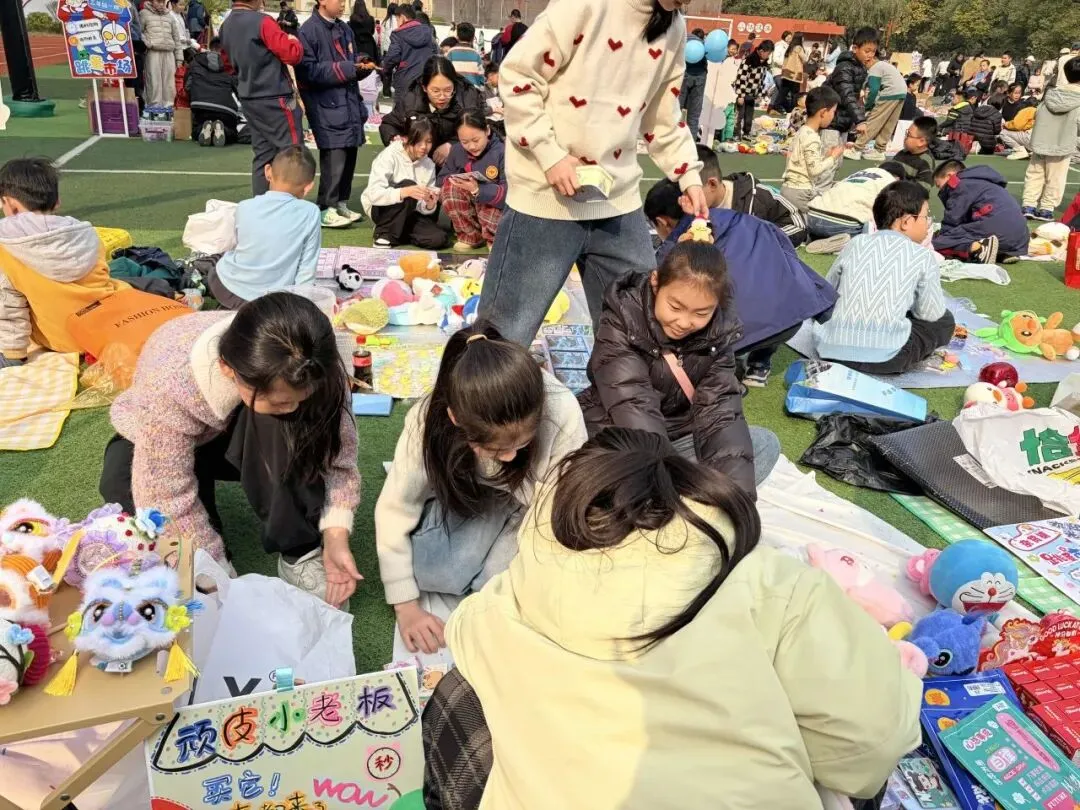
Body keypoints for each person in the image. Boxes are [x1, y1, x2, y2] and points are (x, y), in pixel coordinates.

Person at [430, 426, 921, 809]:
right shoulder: (777, 583)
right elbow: (873, 746)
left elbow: (469, 629)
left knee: (456, 696)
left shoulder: (518, 579)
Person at [100, 294, 362, 606]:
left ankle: (299, 550)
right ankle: (210, 556)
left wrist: (335, 535)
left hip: (241, 426)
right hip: (159, 433)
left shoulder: (316, 364)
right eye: (281, 401)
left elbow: (338, 460)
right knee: (129, 494)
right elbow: (163, 495)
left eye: (303, 397)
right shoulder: (169, 381)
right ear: (227, 368)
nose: (294, 407)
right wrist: (215, 571)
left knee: (287, 427)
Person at [476, 0, 709, 347]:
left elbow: (663, 113)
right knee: (504, 339)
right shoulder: (585, 5)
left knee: (637, 334)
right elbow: (518, 75)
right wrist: (550, 155)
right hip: (545, 200)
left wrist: (687, 173)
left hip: (617, 200)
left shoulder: (674, 27)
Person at [375, 321, 586, 654]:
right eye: (496, 448)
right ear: (455, 419)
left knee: (501, 589)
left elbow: (560, 509)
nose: (510, 456)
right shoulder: (427, 419)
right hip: (469, 495)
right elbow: (396, 507)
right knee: (435, 574)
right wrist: (406, 607)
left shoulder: (562, 411)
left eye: (522, 444)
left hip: (533, 507)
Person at [578, 241, 779, 497]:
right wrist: (665, 477)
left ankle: (677, 496)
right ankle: (672, 494)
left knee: (764, 444)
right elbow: (633, 405)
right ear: (655, 283)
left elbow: (720, 414)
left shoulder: (718, 336)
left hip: (678, 440)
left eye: (701, 313)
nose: (684, 322)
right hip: (616, 434)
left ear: (717, 304)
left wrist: (736, 502)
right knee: (606, 475)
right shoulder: (621, 320)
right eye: (675, 307)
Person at [647, 180, 836, 388]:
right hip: (791, 320)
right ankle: (760, 364)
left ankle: (723, 368)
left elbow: (653, 288)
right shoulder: (747, 219)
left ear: (662, 222)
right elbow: (791, 259)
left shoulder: (675, 247)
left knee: (690, 307)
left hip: (737, 332)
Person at [813, 181, 954, 375]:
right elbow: (930, 314)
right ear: (906, 222)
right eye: (925, 217)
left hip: (831, 350)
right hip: (888, 359)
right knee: (944, 320)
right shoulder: (922, 256)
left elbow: (828, 291)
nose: (928, 223)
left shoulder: (856, 243)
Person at [0, 158, 128, 367]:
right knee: (125, 272)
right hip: (104, 330)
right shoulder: (87, 233)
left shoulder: (5, 247)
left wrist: (13, 354)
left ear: (11, 204)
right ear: (57, 201)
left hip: (58, 340)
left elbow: (8, 306)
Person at [207, 148, 320, 309]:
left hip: (228, 289)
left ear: (268, 171)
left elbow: (241, 245)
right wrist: (300, 307)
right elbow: (307, 269)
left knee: (219, 264)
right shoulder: (311, 212)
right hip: (274, 303)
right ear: (308, 187)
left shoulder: (244, 206)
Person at [297, 0, 371, 228]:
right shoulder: (308, 30)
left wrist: (360, 64)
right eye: (339, 0)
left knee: (349, 153)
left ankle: (340, 202)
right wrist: (348, 68)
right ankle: (325, 207)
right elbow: (308, 71)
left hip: (348, 101)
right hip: (325, 104)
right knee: (334, 155)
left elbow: (350, 60)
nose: (343, 5)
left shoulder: (345, 28)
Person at [220, 0, 305, 195]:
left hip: (249, 96)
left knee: (263, 155)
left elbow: (227, 64)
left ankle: (261, 204)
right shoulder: (263, 21)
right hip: (276, 96)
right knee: (292, 153)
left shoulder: (226, 25)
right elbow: (291, 55)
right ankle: (289, 204)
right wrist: (294, 41)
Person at [379, 56, 485, 166]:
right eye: (435, 91)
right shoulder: (411, 101)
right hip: (419, 164)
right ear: (424, 87)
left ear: (455, 85)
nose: (442, 97)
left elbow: (479, 133)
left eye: (448, 90)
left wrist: (453, 146)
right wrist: (394, 138)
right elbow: (388, 124)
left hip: (458, 164)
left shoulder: (467, 99)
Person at [361, 118, 447, 248]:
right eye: (418, 141)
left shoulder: (429, 164)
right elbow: (374, 194)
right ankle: (384, 233)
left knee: (438, 239)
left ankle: (397, 232)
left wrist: (429, 204)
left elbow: (421, 206)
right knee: (408, 184)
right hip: (381, 209)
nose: (424, 146)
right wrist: (404, 192)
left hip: (411, 213)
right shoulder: (389, 156)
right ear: (405, 138)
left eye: (429, 141)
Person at [695, 145, 807, 245]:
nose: (687, 200)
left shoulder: (757, 197)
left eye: (691, 192)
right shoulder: (689, 208)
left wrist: (757, 239)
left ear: (712, 184)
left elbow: (798, 226)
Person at [931, 161, 1028, 263]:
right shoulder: (986, 182)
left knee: (938, 243)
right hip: (1020, 238)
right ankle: (1004, 252)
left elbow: (952, 219)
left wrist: (940, 236)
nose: (940, 189)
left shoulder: (961, 185)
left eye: (939, 185)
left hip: (997, 229)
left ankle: (978, 249)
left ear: (949, 176)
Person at [438, 112, 506, 251]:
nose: (471, 146)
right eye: (465, 142)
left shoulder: (502, 151)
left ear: (487, 131)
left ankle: (495, 239)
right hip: (469, 204)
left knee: (488, 199)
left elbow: (511, 193)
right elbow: (441, 179)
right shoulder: (456, 150)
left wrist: (478, 189)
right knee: (449, 188)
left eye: (476, 140)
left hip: (495, 206)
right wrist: (459, 180)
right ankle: (470, 236)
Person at [1023, 57, 1080, 221]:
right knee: (1056, 177)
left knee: (1035, 173)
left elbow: (1038, 115)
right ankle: (1046, 208)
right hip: (1063, 143)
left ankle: (1028, 204)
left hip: (1041, 141)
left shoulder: (1051, 94)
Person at [806, 161, 909, 240]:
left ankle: (820, 239)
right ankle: (846, 243)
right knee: (877, 221)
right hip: (844, 225)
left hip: (812, 218)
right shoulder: (890, 182)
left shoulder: (860, 173)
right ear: (898, 179)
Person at [824, 28, 879, 177]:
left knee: (836, 164)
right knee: (827, 163)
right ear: (855, 48)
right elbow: (847, 95)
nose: (870, 55)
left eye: (873, 51)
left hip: (842, 122)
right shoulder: (844, 68)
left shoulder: (860, 68)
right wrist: (859, 120)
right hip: (830, 122)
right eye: (867, 51)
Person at [781, 85, 843, 213]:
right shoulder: (812, 137)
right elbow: (815, 170)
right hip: (800, 193)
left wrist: (825, 157)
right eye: (833, 112)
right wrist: (832, 158)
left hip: (788, 188)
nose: (833, 116)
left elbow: (805, 162)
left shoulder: (802, 131)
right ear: (823, 112)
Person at [851, 48, 906, 159]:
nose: (864, 66)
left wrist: (868, 107)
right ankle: (879, 150)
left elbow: (874, 90)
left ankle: (856, 148)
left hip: (889, 93)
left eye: (864, 64)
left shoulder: (875, 68)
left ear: (870, 60)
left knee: (874, 121)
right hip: (901, 93)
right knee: (889, 123)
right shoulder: (885, 65)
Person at [187, 38, 242, 146]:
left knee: (196, 130)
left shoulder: (196, 62)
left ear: (210, 47)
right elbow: (239, 90)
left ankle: (204, 129)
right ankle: (223, 130)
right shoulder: (229, 65)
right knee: (233, 133)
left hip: (200, 106)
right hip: (225, 108)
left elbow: (187, 86)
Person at [381, 3, 437, 97]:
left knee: (403, 105)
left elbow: (392, 58)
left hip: (405, 79)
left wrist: (385, 68)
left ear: (402, 17)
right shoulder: (427, 32)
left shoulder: (398, 35)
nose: (397, 23)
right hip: (426, 79)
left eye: (397, 19)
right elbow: (435, 53)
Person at [892, 116, 965, 186]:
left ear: (921, 142)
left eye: (908, 135)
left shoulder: (925, 162)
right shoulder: (902, 153)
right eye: (906, 133)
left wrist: (897, 184)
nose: (905, 137)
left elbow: (922, 189)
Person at [140, 0, 185, 108]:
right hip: (153, 52)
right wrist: (148, 43)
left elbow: (176, 38)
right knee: (153, 82)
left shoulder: (169, 16)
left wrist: (179, 58)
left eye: (163, 2)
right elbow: (139, 32)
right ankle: (153, 108)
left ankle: (169, 108)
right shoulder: (144, 13)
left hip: (169, 53)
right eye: (158, 1)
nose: (161, 4)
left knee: (170, 83)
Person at [732, 39, 775, 140]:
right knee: (739, 115)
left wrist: (760, 94)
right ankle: (736, 134)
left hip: (753, 94)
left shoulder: (764, 63)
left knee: (749, 116)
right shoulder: (748, 60)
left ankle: (746, 133)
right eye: (768, 53)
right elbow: (741, 78)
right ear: (762, 51)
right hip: (744, 93)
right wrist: (741, 95)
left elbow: (761, 80)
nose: (768, 56)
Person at [681, 28, 708, 141]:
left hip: (685, 74)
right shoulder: (704, 45)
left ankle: (672, 142)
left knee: (675, 112)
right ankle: (691, 144)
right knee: (693, 116)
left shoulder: (686, 38)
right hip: (700, 76)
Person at [446, 22, 484, 87]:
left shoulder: (450, 52)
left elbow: (446, 72)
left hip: (455, 88)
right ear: (473, 38)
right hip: (472, 89)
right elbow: (481, 76)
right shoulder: (476, 54)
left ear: (457, 36)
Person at [779, 32, 807, 113]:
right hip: (795, 74)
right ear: (800, 38)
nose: (804, 39)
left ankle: (776, 106)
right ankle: (792, 109)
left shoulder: (790, 47)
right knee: (795, 93)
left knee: (783, 92)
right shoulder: (799, 48)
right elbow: (804, 59)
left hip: (786, 72)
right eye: (803, 38)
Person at [767, 30, 791, 113]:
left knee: (777, 90)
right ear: (784, 37)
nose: (789, 39)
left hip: (783, 71)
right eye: (788, 37)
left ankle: (771, 107)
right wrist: (786, 64)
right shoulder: (779, 45)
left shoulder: (787, 46)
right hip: (778, 70)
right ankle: (785, 107)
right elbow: (776, 59)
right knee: (783, 90)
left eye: (790, 37)